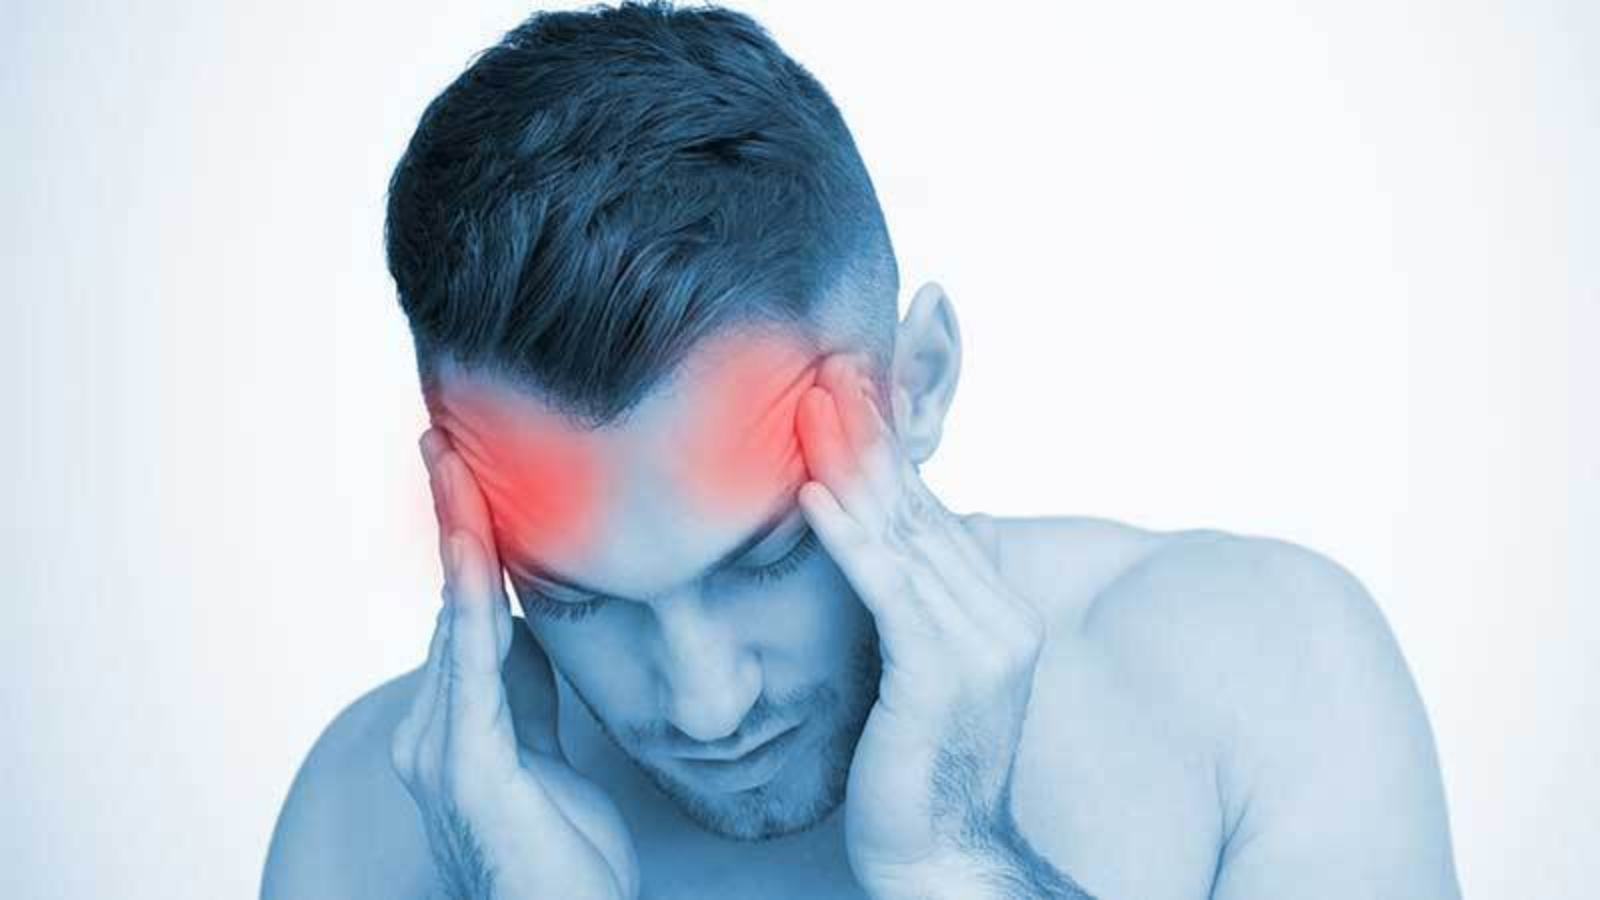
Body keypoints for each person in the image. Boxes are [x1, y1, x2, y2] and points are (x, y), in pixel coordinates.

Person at [261, 3, 1461, 898]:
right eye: (574, 595)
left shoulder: (1253, 674)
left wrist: (960, 863)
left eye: (770, 554)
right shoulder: (382, 818)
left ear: (916, 383)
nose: (708, 703)